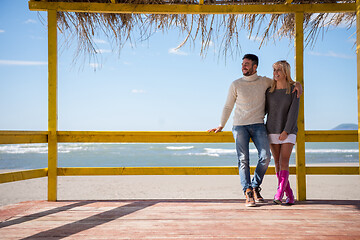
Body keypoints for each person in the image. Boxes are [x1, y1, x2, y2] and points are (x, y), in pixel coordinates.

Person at [208, 54, 302, 207]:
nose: (243, 66)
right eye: (243, 63)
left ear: (255, 67)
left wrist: (297, 83)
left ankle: (255, 186)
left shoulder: (265, 82)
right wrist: (221, 124)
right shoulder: (236, 84)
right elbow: (227, 106)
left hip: (259, 125)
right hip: (240, 126)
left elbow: (284, 82)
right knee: (243, 159)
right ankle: (248, 191)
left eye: (247, 64)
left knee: (265, 157)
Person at [265, 60, 299, 205]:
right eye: (274, 70)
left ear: (286, 72)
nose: (275, 73)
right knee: (277, 164)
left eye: (279, 70)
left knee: (284, 161)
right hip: (272, 130)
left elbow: (294, 113)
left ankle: (279, 193)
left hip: (289, 131)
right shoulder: (269, 91)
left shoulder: (293, 90)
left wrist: (286, 131)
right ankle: (289, 194)